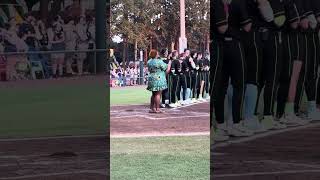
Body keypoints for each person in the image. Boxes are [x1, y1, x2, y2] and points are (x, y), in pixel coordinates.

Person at [212, 0, 253, 141]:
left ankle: (221, 124)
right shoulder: (238, 3)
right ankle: (235, 123)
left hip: (222, 45)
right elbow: (247, 26)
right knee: (239, 85)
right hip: (234, 45)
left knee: (220, 87)